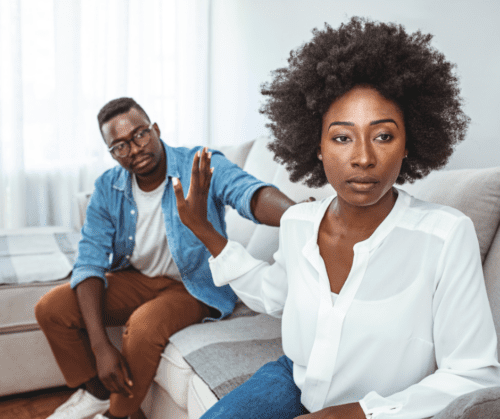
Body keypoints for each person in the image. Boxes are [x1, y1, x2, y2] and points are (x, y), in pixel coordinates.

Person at [173, 17, 500, 419]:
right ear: (317, 146)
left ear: (408, 143)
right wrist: (204, 231)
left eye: (383, 136)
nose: (363, 157)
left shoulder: (446, 235)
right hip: (293, 378)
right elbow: (273, 296)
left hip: (383, 405)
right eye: (342, 137)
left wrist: (356, 413)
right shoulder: (298, 223)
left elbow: (473, 374)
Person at [35, 97, 296, 419]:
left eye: (140, 135)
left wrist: (297, 216)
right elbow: (90, 259)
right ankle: (97, 392)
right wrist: (100, 347)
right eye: (119, 146)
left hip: (195, 286)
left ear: (155, 129)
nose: (133, 149)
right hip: (139, 279)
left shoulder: (199, 163)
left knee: (143, 327)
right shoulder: (108, 187)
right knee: (52, 308)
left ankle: (116, 415)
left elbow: (246, 193)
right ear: (112, 153)